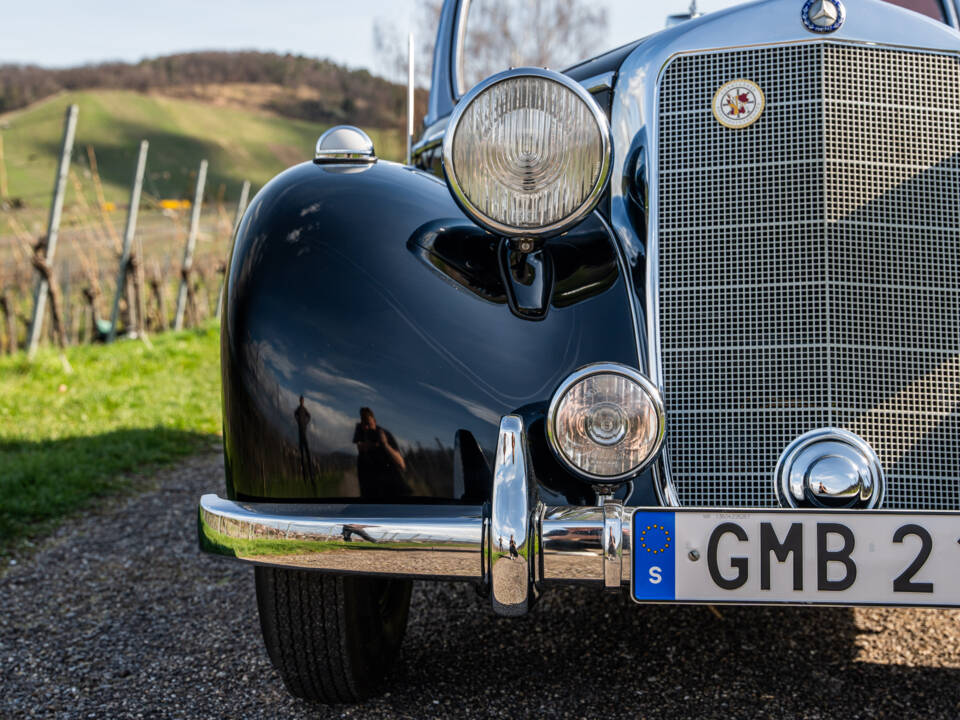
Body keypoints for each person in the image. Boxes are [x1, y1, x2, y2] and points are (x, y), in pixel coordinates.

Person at [352, 407, 410, 498]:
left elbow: (401, 464)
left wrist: (385, 445)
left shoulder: (384, 434)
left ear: (374, 421)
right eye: (363, 424)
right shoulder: (360, 429)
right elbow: (360, 447)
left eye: (369, 424)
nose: (366, 428)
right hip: (369, 484)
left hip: (392, 485)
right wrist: (374, 445)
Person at [294, 395, 315, 488]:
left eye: (302, 400)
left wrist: (305, 423)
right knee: (302, 457)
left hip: (304, 434)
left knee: (307, 455)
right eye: (301, 400)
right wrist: (297, 420)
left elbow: (309, 416)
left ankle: (311, 477)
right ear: (299, 401)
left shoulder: (304, 409)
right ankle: (305, 478)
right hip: (300, 434)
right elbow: (295, 414)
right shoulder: (298, 409)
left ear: (303, 401)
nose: (302, 401)